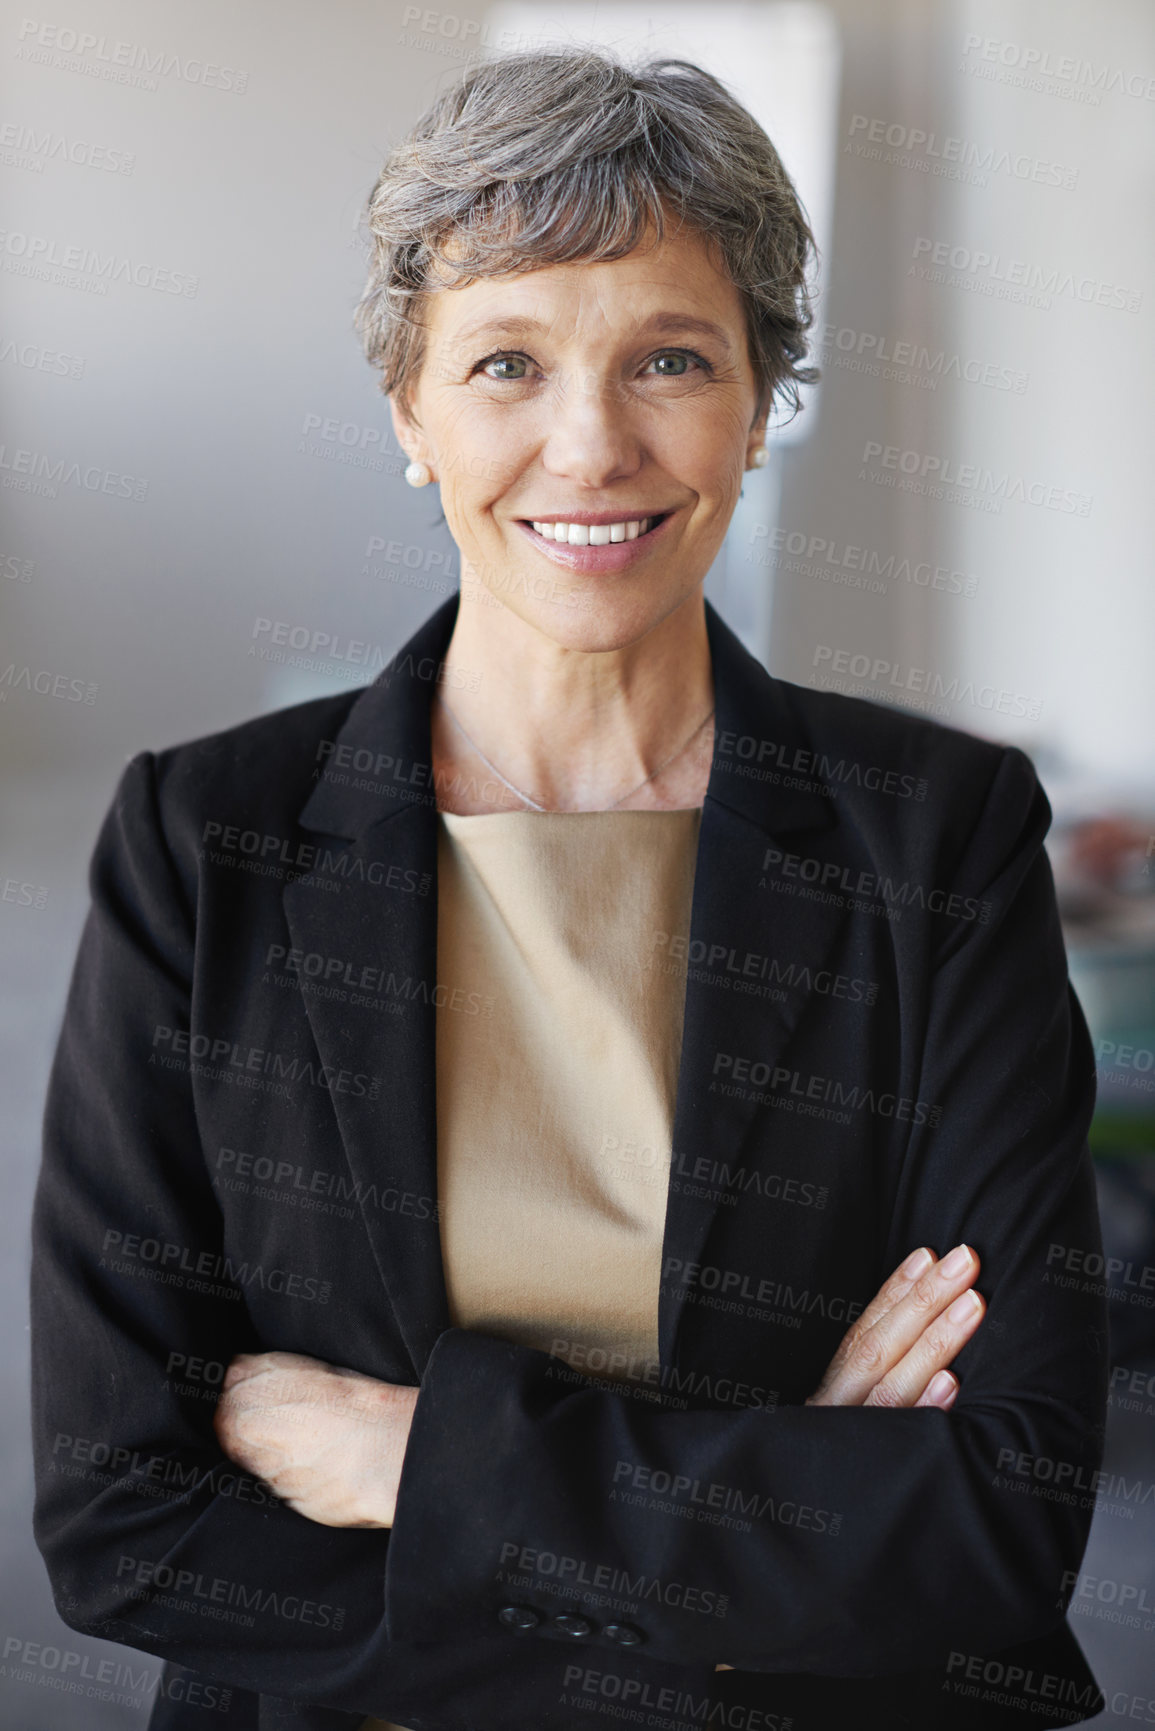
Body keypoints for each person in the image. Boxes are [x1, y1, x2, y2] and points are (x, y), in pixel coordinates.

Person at [30, 45, 1109, 1731]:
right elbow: (129, 1520)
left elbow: (1000, 1520)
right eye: (508, 363)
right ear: (410, 410)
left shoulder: (941, 839)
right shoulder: (203, 840)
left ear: (759, 399)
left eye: (670, 357)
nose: (589, 444)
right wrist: (775, 1520)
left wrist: (412, 1458)